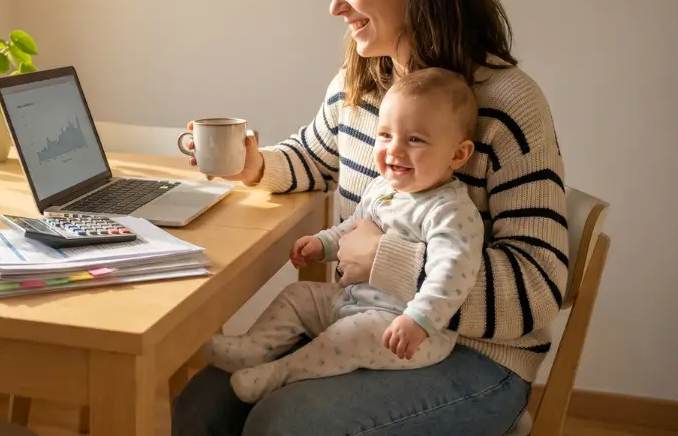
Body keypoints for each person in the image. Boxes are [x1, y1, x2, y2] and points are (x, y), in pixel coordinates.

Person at [174, 0, 567, 436]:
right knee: (195, 410)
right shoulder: (358, 88)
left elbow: (537, 291)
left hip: (478, 356)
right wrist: (253, 166)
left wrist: (387, 260)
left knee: (282, 425)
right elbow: (314, 156)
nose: (335, 7)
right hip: (357, 314)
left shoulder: (507, 105)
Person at [204, 68, 485, 404]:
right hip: (352, 301)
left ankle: (279, 374)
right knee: (298, 295)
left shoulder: (450, 211)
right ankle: (252, 349)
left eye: (415, 139)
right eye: (385, 135)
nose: (393, 150)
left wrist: (419, 320)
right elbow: (353, 227)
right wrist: (324, 243)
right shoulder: (383, 188)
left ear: (458, 154)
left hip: (405, 329)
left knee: (348, 337)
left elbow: (451, 275)